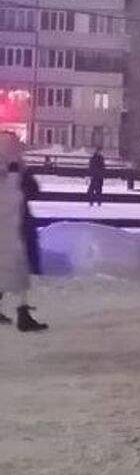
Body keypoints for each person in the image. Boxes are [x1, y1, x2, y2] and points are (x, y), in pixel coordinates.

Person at [0, 131, 48, 332]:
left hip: (14, 222)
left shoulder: (15, 167)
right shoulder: (14, 168)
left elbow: (31, 189)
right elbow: (26, 191)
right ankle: (23, 313)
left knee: (11, 265)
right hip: (13, 224)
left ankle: (22, 311)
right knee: (15, 265)